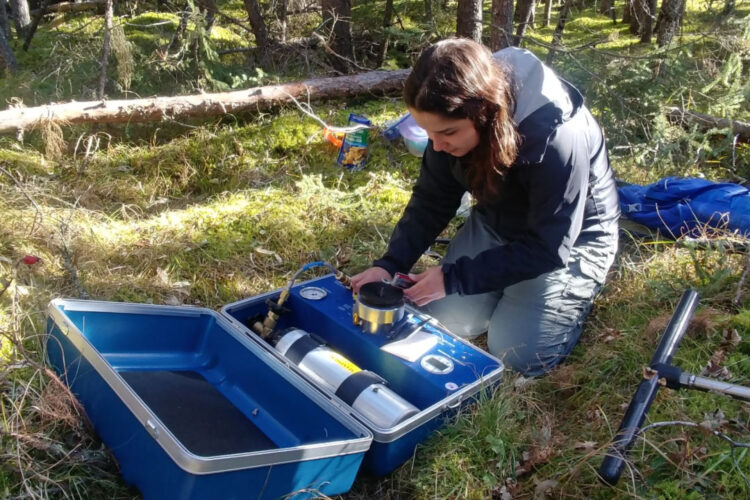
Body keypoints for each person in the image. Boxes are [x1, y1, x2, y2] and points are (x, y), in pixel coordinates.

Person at [350, 39, 620, 376]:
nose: (436, 145)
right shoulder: (447, 116)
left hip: (573, 238)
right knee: (441, 320)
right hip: (497, 221)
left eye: (447, 133)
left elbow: (549, 246)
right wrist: (390, 264)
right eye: (427, 132)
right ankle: (505, 286)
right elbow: (432, 200)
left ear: (487, 113)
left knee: (517, 354)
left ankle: (574, 289)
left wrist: (454, 278)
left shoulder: (557, 136)